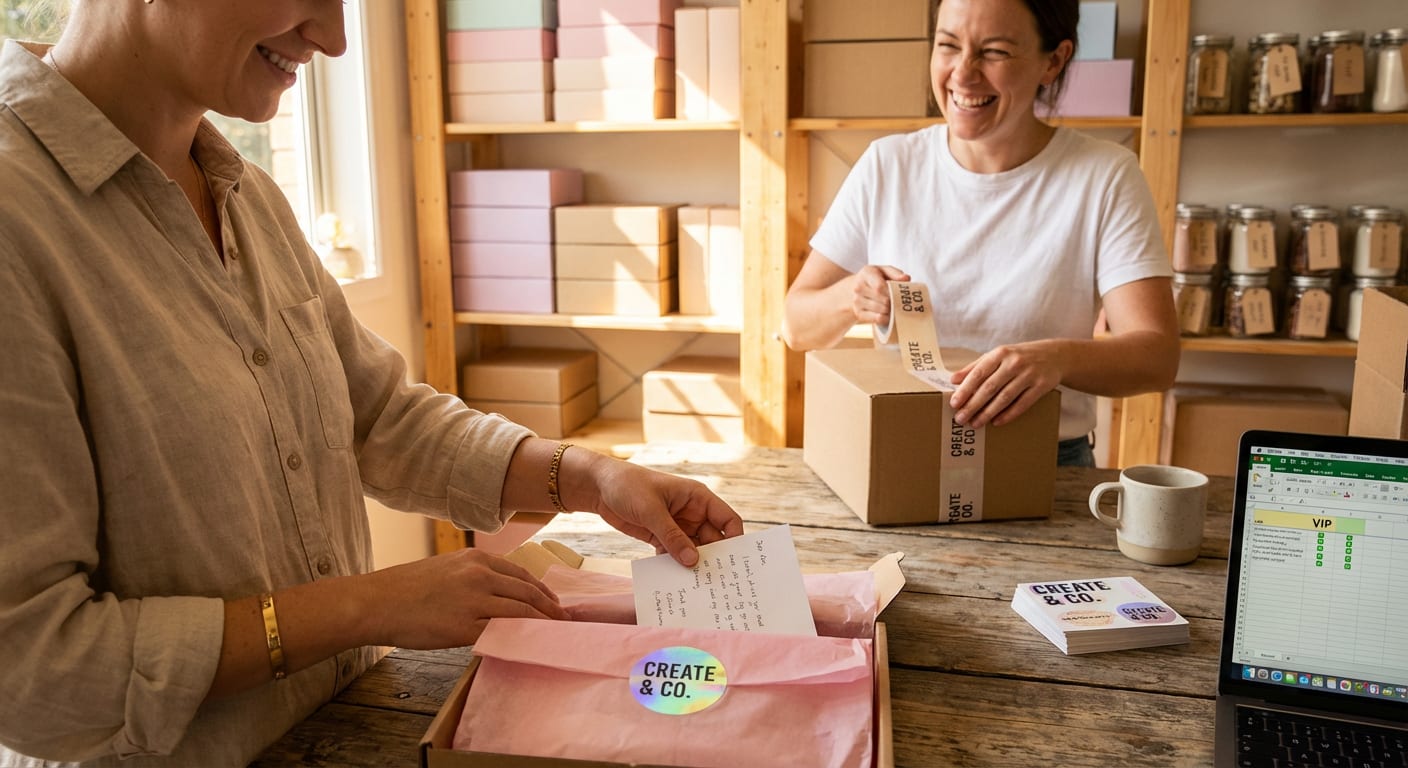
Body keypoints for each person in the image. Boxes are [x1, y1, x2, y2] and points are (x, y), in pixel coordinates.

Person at [0, 3, 743, 765]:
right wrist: (366, 605)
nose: (334, 38)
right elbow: (30, 670)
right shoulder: (17, 219)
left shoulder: (246, 193)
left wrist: (587, 476)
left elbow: (378, 414)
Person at [782, 0, 1179, 467]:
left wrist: (1056, 360)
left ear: (1054, 60)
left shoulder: (1104, 176)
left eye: (994, 52)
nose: (962, 74)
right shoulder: (887, 165)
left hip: (1044, 461)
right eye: (948, 46)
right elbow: (795, 325)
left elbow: (1156, 356)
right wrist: (852, 296)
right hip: (904, 449)